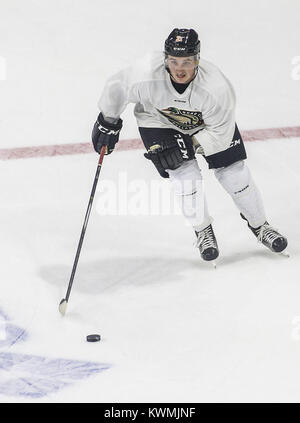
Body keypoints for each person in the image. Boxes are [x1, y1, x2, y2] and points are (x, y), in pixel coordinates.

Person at [92, 28, 288, 262]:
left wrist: (189, 144)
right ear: (165, 59)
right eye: (173, 61)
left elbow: (221, 135)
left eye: (186, 61)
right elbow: (117, 86)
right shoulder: (145, 72)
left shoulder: (216, 88)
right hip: (158, 121)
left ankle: (260, 226)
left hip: (208, 128)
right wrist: (108, 120)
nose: (179, 68)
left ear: (197, 60)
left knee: (235, 175)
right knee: (185, 176)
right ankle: (203, 229)